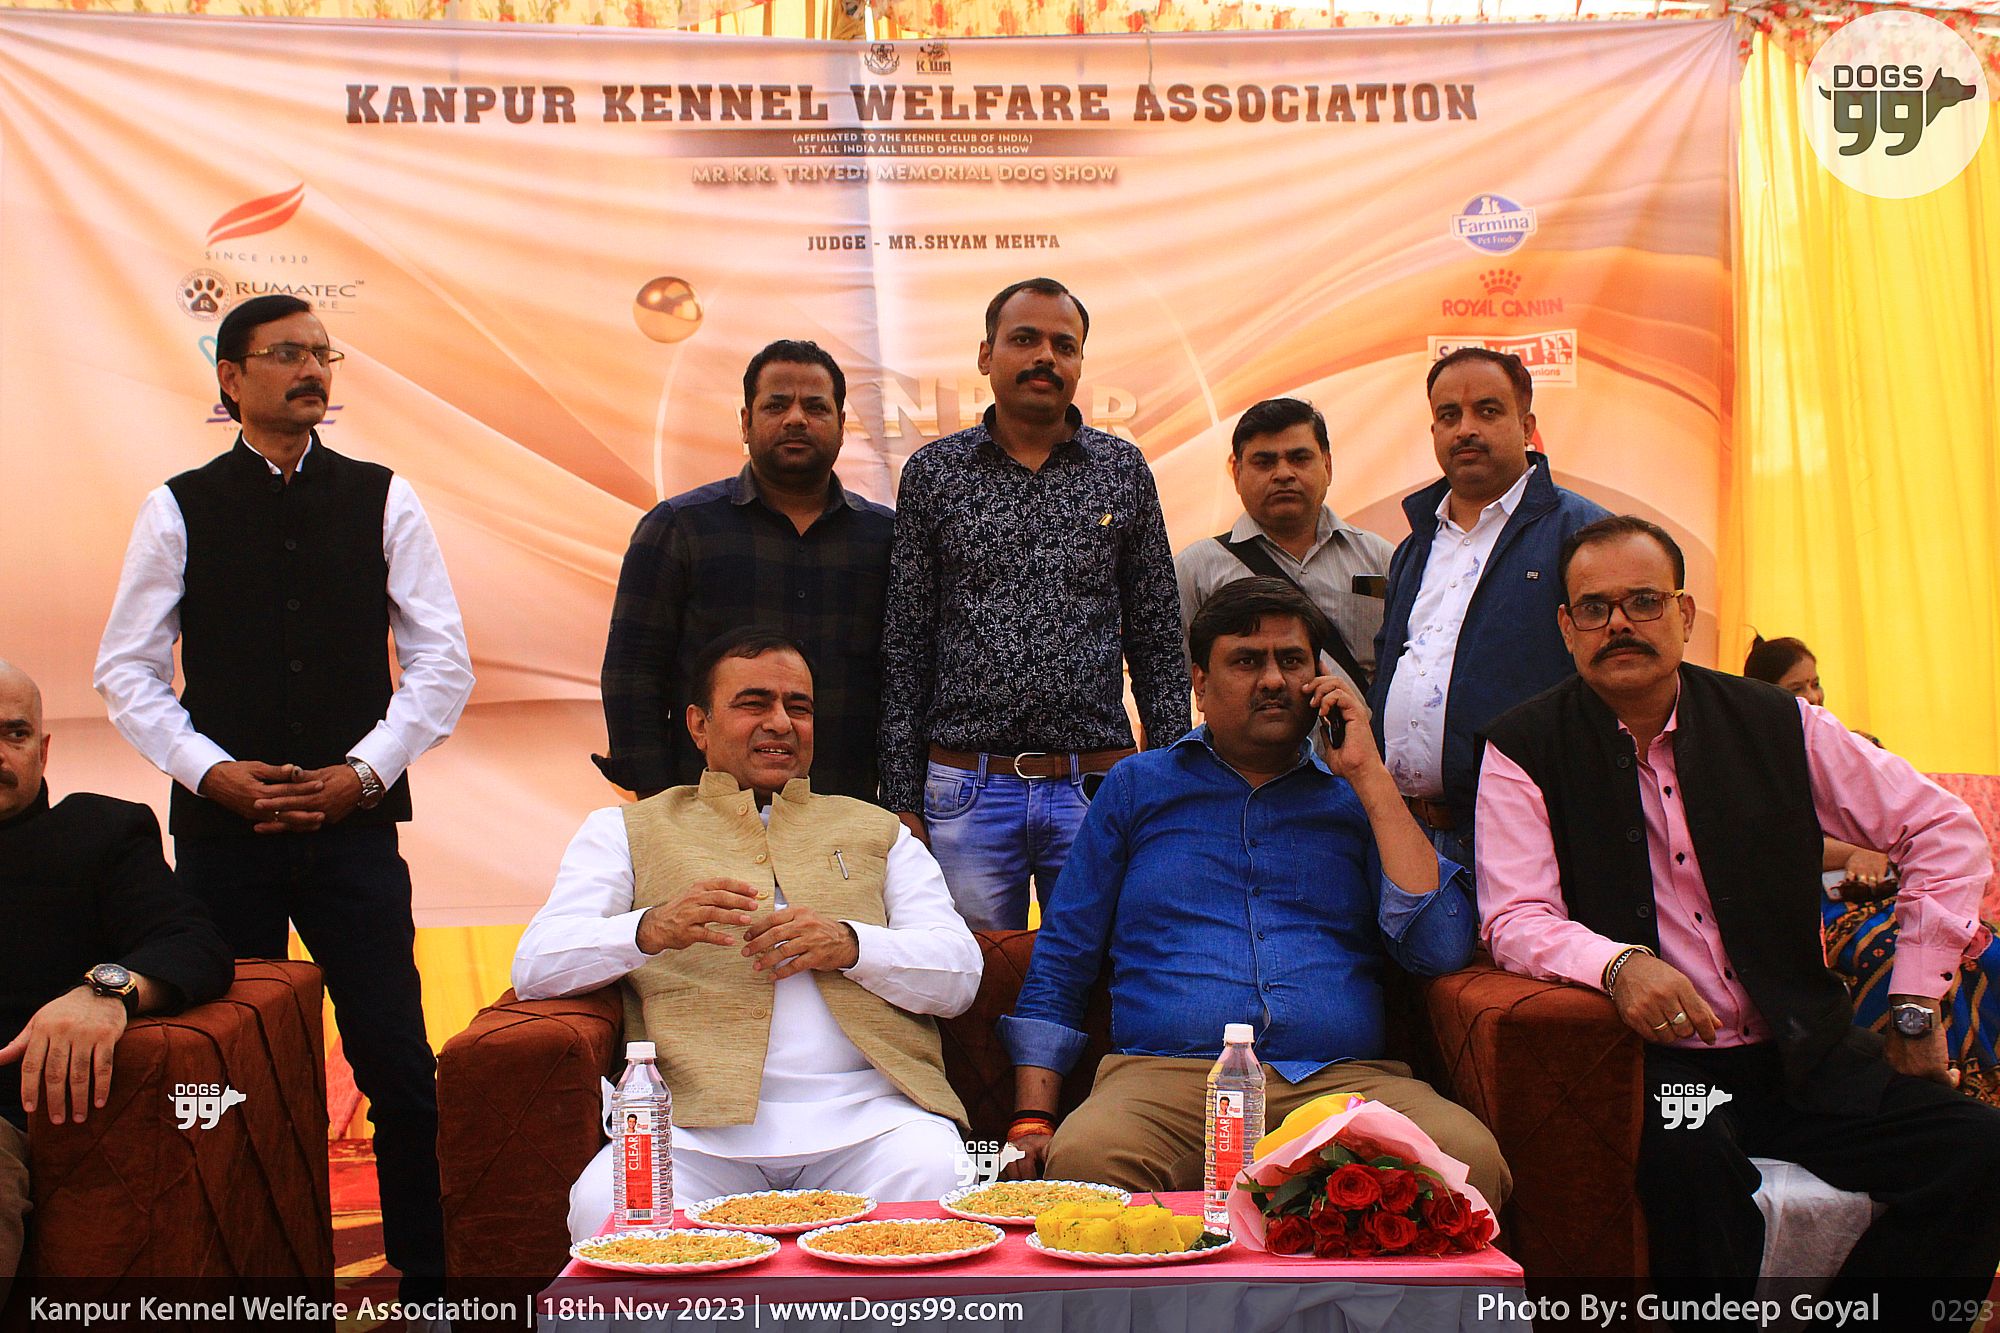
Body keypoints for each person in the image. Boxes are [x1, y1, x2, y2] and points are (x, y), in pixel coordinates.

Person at [1475, 515, 2000, 1321]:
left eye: (1644, 601)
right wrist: (1617, 964)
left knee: (1980, 1150)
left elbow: (1943, 830)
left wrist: (1915, 1003)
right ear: (1566, 627)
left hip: (1806, 1057)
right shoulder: (1524, 747)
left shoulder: (1778, 721)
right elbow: (1514, 915)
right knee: (1691, 1167)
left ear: (1684, 614)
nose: (1619, 623)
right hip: (1670, 1071)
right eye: (1595, 608)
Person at [93, 294, 474, 1289]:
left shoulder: (384, 496)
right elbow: (126, 671)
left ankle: (430, 1283)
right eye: (288, 353)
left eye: (323, 354)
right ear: (231, 378)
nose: (312, 370)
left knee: (399, 1064)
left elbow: (443, 664)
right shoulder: (176, 505)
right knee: (228, 1074)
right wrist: (210, 771)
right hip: (225, 841)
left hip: (354, 835)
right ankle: (252, 1286)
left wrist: (364, 773)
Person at [1000, 579, 1509, 1209]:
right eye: (1246, 661)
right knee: (1089, 1165)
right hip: (1166, 1083)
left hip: (1340, 1083)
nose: (1273, 680)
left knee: (1467, 1161)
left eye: (1291, 661)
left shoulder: (1356, 796)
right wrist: (1032, 1117)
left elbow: (1439, 948)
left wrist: (1370, 774)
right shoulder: (1137, 788)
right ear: (1200, 684)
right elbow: (1064, 954)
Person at [516, 629, 979, 1237]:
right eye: (754, 703)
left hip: (875, 1124)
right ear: (699, 725)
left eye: (798, 707)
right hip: (689, 1132)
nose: (781, 723)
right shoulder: (624, 830)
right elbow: (535, 966)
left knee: (942, 1174)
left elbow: (958, 975)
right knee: (604, 1206)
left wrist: (852, 944)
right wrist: (649, 928)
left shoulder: (880, 831)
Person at [879, 277, 1190, 931]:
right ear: (986, 355)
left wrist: (1169, 786)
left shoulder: (1122, 471)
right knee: (968, 976)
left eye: (1063, 345)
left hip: (1096, 788)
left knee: (1102, 970)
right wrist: (902, 797)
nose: (1046, 356)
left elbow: (1158, 641)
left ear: (1079, 363)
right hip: (963, 790)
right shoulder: (935, 474)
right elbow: (907, 645)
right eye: (1025, 339)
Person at [0, 661, 233, 1283]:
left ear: (42, 750)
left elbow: (193, 943)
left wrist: (105, 992)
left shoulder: (98, 834)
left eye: (15, 733)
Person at [597, 340, 894, 801]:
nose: (796, 419)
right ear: (745, 423)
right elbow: (632, 676)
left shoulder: (888, 539)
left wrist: (899, 800)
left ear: (841, 427)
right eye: (776, 405)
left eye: (815, 407)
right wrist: (660, 801)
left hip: (845, 808)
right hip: (706, 809)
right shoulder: (679, 528)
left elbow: (908, 683)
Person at [1369, 347, 1609, 874]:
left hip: (1529, 836)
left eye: (1488, 410)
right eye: (1449, 415)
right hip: (1407, 832)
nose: (1466, 430)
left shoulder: (1583, 536)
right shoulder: (1415, 545)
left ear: (1527, 426)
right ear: (1433, 431)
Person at [1745, 633, 2000, 1104]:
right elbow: (1777, 846)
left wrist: (1882, 851)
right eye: (1797, 689)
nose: (1814, 697)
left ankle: (1981, 1089)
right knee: (1888, 957)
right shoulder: (1753, 767)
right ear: (1764, 696)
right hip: (1820, 907)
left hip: (1890, 893)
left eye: (1815, 683)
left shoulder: (1855, 746)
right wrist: (1854, 853)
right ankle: (1906, 1092)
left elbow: (1919, 828)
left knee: (1979, 949)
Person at [1174, 397, 1393, 690]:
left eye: (1299, 458)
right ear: (1237, 473)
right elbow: (1168, 684)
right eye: (1264, 462)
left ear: (1327, 466)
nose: (1283, 474)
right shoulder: (1195, 571)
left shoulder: (1382, 560)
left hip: (1362, 721)